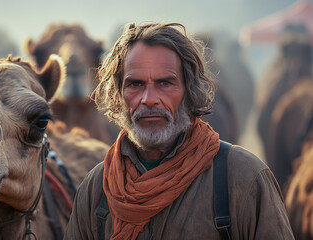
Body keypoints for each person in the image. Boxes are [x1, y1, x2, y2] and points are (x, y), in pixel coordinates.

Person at [63, 22, 294, 240]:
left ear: (189, 91)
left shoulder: (244, 180)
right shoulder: (96, 189)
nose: (149, 99)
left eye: (165, 83)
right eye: (135, 84)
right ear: (118, 95)